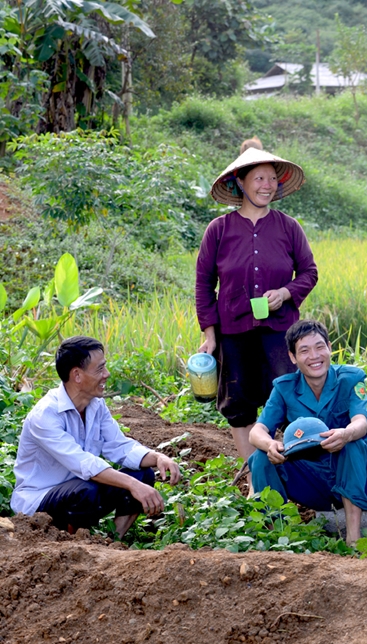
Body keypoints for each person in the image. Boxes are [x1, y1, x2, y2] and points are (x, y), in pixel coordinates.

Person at [196, 146, 318, 463]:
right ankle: (255, 475)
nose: (267, 185)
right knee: (239, 404)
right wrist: (210, 336)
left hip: (280, 333)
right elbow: (204, 284)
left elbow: (309, 272)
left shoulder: (288, 227)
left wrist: (285, 293)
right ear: (240, 182)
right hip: (233, 332)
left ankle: (296, 470)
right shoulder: (218, 231)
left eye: (272, 178)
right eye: (259, 178)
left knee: (292, 398)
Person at [12, 337, 181, 537]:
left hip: (83, 486)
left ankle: (112, 542)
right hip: (39, 498)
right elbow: (84, 464)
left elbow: (120, 446)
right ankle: (74, 546)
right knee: (87, 490)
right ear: (77, 375)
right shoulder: (45, 415)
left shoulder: (95, 405)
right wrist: (131, 484)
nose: (106, 375)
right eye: (100, 369)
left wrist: (158, 457)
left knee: (143, 475)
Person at [247, 320, 367, 545]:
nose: (314, 356)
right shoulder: (285, 388)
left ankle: (353, 538)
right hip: (316, 484)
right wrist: (270, 445)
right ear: (293, 357)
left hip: (364, 479)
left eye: (319, 347)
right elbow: (257, 431)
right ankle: (276, 534)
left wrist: (346, 434)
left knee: (352, 443)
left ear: (330, 348)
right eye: (304, 350)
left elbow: (360, 422)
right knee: (259, 456)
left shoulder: (351, 379)